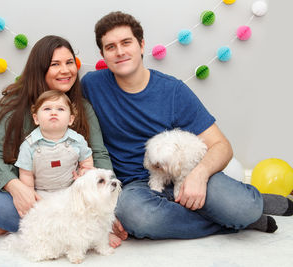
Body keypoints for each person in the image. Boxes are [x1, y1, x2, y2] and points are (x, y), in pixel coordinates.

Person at [81, 11, 293, 240]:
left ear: (142, 45)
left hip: (185, 174)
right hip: (136, 187)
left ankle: (250, 209)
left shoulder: (173, 91)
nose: (120, 51)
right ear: (103, 54)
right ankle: (235, 223)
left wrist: (199, 175)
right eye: (111, 47)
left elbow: (221, 145)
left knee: (244, 208)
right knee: (137, 217)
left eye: (126, 42)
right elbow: (55, 103)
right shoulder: (92, 85)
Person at [0, 35, 122, 247]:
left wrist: (100, 190)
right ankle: (76, 233)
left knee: (109, 203)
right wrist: (16, 187)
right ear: (40, 68)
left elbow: (98, 153)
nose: (66, 70)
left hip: (69, 195)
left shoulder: (82, 108)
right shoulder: (12, 106)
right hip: (32, 193)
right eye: (55, 64)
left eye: (69, 62)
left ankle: (40, 231)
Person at [15, 90, 94, 201]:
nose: (53, 113)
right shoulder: (29, 145)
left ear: (70, 119)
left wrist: (85, 171)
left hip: (72, 189)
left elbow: (86, 161)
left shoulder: (77, 140)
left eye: (60, 109)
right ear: (36, 118)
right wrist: (30, 194)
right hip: (42, 192)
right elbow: (26, 174)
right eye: (47, 109)